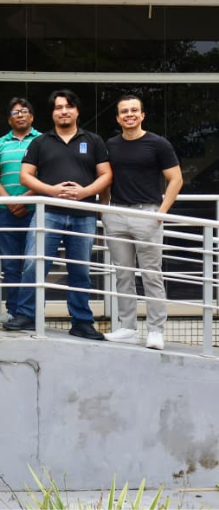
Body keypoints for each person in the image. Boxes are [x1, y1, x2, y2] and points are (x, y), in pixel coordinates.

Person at [3, 89, 113, 340]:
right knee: (33, 263)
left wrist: (85, 192)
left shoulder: (93, 140)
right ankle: (27, 315)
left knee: (80, 270)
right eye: (58, 107)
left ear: (77, 111)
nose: (64, 111)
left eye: (68, 106)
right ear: (52, 113)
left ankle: (82, 321)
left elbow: (106, 175)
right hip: (47, 213)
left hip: (83, 215)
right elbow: (25, 176)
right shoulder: (40, 142)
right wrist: (51, 191)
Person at [101, 95, 182, 350]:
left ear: (142, 115)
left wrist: (161, 213)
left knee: (151, 275)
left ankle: (156, 330)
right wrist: (104, 209)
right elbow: (105, 178)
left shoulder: (158, 144)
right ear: (117, 118)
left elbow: (176, 179)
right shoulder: (111, 145)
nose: (129, 114)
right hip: (117, 214)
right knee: (123, 274)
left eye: (134, 110)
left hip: (147, 214)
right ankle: (127, 327)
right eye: (124, 111)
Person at [0, 98, 41, 325]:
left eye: (24, 111)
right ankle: (12, 311)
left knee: (32, 263)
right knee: (10, 264)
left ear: (32, 116)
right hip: (4, 210)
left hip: (35, 210)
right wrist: (9, 201)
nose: (20, 115)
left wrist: (24, 199)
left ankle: (31, 312)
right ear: (9, 118)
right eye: (15, 112)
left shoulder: (43, 141)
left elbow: (47, 174)